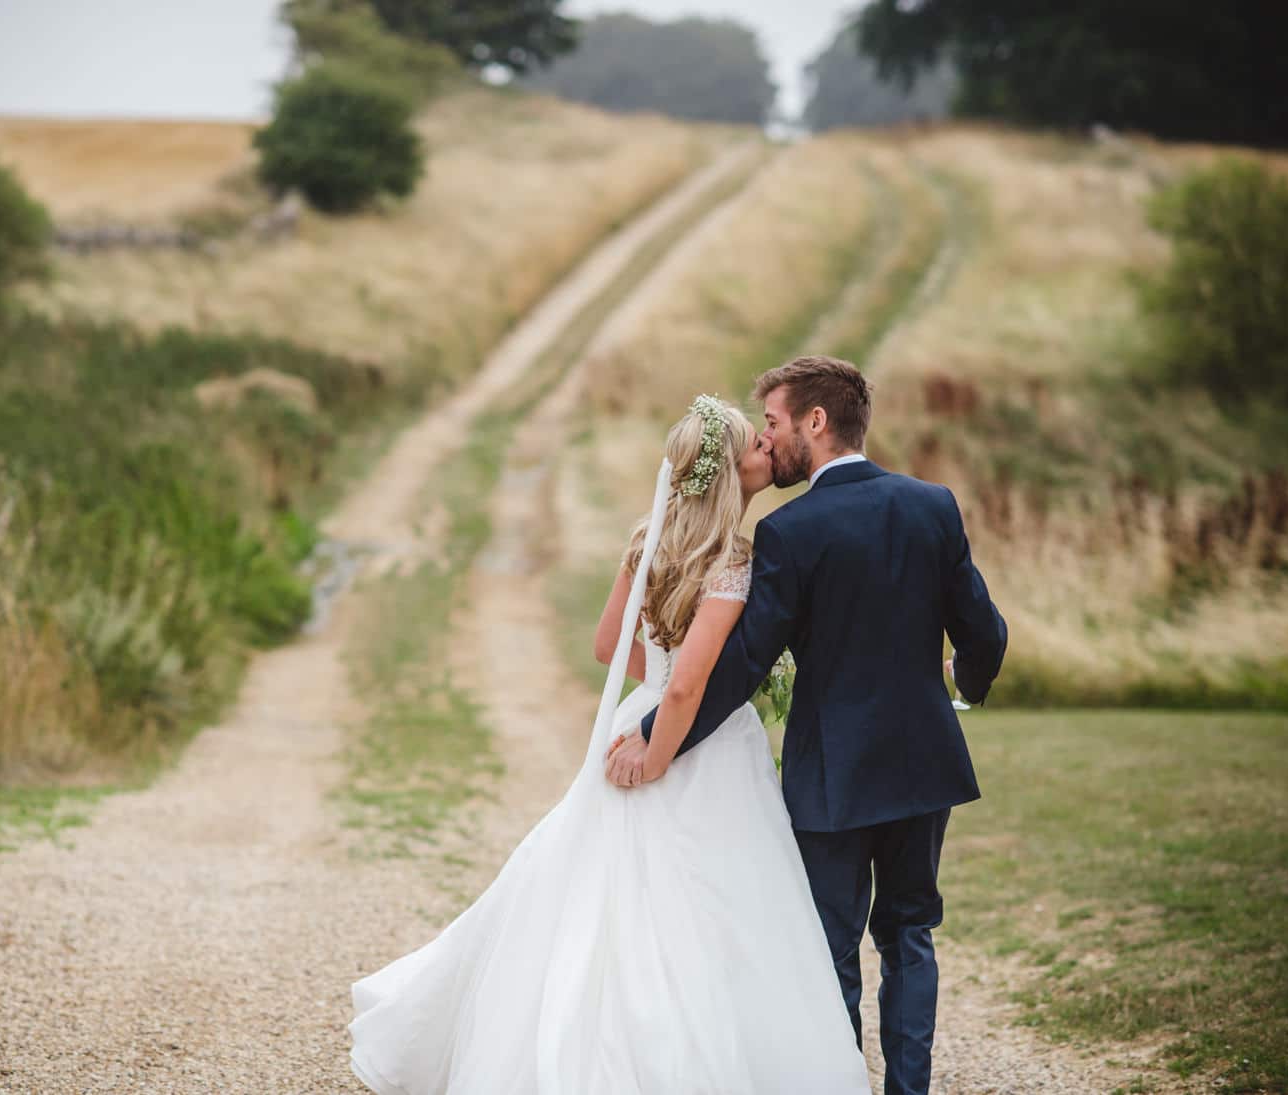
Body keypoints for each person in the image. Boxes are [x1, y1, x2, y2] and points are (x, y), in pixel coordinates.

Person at [348, 393, 870, 1094]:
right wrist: (658, 746)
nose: (765, 452)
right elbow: (689, 691)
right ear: (724, 472)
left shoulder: (644, 536)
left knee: (608, 891)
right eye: (754, 444)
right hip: (690, 745)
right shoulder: (731, 560)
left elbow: (608, 643)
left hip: (642, 712)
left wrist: (654, 684)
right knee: (711, 904)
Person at [606, 355, 1008, 1095]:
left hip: (833, 779)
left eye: (775, 423)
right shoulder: (934, 505)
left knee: (831, 949)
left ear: (815, 422)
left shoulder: (792, 531)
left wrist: (660, 730)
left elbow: (742, 663)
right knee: (911, 935)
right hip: (925, 766)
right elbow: (985, 631)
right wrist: (964, 685)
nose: (770, 439)